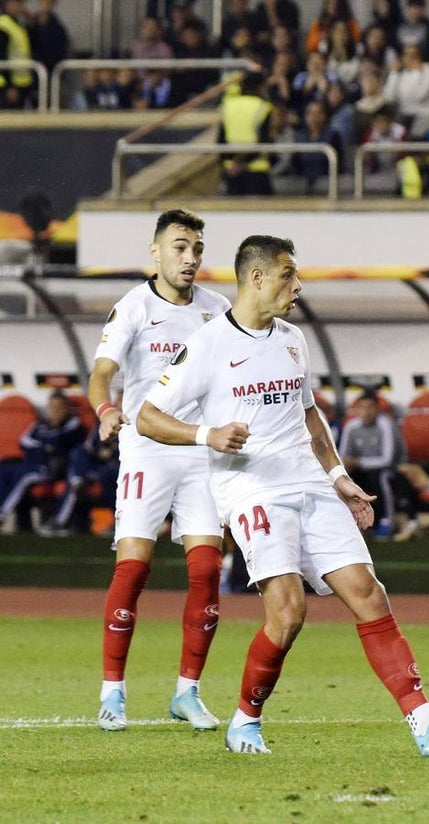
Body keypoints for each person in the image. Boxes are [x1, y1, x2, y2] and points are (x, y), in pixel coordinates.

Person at [137, 234, 429, 756]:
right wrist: (205, 435)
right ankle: (245, 720)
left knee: (369, 593)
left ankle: (425, 722)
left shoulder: (292, 339)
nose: (297, 285)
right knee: (288, 611)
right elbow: (148, 417)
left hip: (309, 481)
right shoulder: (209, 344)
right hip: (251, 488)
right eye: (288, 274)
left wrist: (338, 475)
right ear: (256, 278)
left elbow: (308, 415)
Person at [88, 209, 233, 734]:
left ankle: (187, 692)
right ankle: (112, 692)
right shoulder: (132, 307)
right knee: (133, 566)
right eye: (179, 247)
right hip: (146, 448)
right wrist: (105, 410)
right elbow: (101, 373)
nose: (189, 258)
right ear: (156, 252)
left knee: (205, 570)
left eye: (196, 248)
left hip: (201, 451)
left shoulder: (218, 311)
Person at [338, 392, 419, 540]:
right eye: (362, 408)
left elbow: (387, 460)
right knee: (343, 478)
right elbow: (343, 456)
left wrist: (358, 462)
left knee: (381, 477)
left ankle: (387, 521)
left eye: (370, 408)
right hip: (362, 469)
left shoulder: (386, 424)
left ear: (377, 409)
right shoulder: (351, 427)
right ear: (356, 410)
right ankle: (350, 522)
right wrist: (348, 465)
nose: (366, 412)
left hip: (392, 468)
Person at [0, 391, 86, 531]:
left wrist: (43, 447)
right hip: (34, 463)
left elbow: (61, 443)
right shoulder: (40, 425)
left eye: (59, 407)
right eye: (52, 407)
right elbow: (24, 442)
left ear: (67, 409)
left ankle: (3, 512)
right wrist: (45, 448)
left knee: (25, 475)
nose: (55, 411)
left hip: (54, 468)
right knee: (5, 469)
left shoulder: (73, 424)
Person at [218, 72, 275, 196]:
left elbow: (220, 141)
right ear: (261, 86)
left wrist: (234, 163)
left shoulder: (227, 106)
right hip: (256, 168)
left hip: (231, 170)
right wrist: (244, 163)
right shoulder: (263, 107)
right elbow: (264, 141)